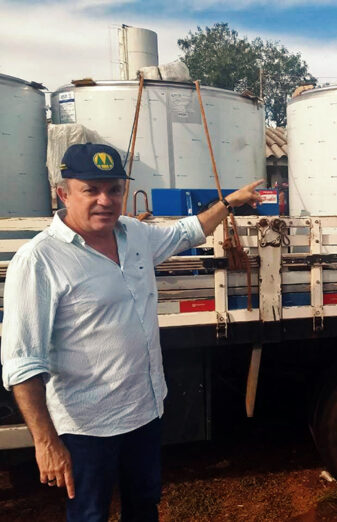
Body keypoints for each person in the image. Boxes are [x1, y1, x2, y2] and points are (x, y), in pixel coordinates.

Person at [0, 143, 262, 521]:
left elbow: (186, 232)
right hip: (87, 428)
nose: (105, 200)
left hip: (144, 413)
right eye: (91, 190)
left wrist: (230, 202)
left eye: (114, 189)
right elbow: (22, 361)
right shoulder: (39, 260)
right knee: (90, 515)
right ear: (63, 193)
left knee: (144, 506)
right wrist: (45, 441)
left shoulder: (134, 235)